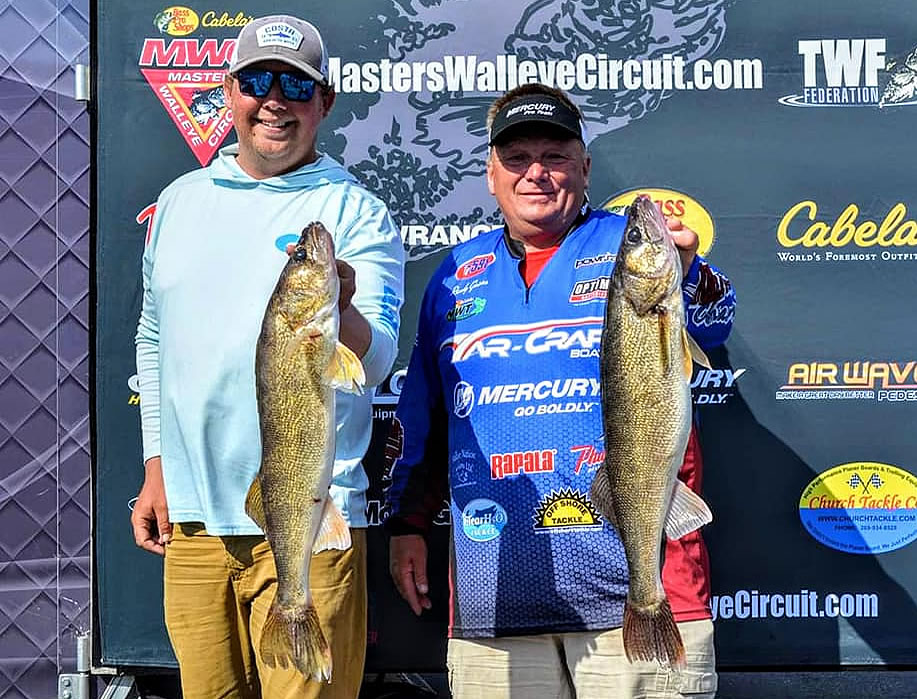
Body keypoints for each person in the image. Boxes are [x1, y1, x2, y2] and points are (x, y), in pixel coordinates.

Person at [385, 83, 735, 699]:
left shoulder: (626, 247)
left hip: (644, 595)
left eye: (556, 155)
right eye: (517, 159)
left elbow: (714, 317)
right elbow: (427, 414)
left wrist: (689, 272)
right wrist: (408, 522)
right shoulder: (452, 275)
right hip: (494, 596)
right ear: (490, 174)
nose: (537, 174)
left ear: (585, 167)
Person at [130, 14, 404, 699]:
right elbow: (154, 337)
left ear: (325, 103)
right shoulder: (178, 202)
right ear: (229, 92)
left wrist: (339, 308)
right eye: (257, 81)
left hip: (316, 518)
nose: (274, 99)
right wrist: (158, 464)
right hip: (194, 523)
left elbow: (377, 361)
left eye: (295, 84)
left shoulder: (357, 211)